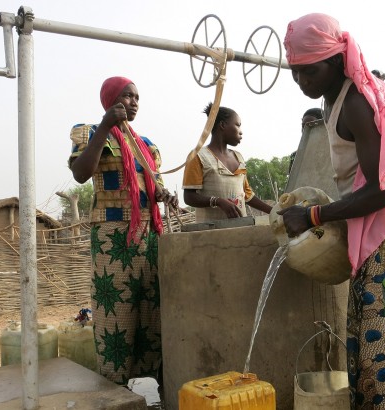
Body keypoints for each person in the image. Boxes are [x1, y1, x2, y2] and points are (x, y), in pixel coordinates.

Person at [281, 13, 385, 408]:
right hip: (380, 221)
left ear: (333, 59)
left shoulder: (357, 104)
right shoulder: (334, 99)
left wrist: (315, 217)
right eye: (294, 73)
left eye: (308, 71)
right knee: (365, 338)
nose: (301, 82)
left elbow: (383, 192)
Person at [69, 76, 178, 384]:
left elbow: (152, 187)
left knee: (151, 306)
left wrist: (164, 194)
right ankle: (114, 384)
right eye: (127, 96)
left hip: (148, 234)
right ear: (111, 100)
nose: (134, 102)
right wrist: (105, 126)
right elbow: (80, 173)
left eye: (137, 97)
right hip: (111, 234)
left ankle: (158, 377)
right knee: (116, 308)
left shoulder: (147, 146)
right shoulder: (91, 133)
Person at [182, 103, 272, 222]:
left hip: (240, 229)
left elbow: (247, 195)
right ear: (223, 125)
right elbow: (189, 197)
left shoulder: (238, 157)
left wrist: (274, 211)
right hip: (211, 233)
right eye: (237, 125)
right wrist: (218, 201)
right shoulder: (198, 156)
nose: (241, 132)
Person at [289, 108, 324, 173]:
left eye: (312, 125)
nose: (306, 129)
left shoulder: (334, 152)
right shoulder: (296, 156)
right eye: (303, 126)